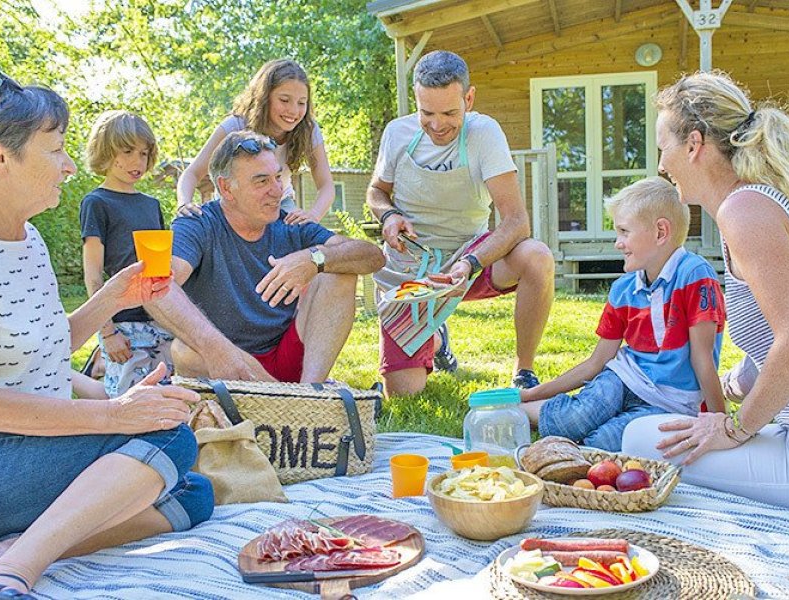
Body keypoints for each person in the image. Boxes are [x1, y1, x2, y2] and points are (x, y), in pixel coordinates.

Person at [0, 72, 213, 598]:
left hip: (35, 442)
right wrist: (113, 413)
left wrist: (111, 298)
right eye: (55, 150)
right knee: (170, 441)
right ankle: (14, 569)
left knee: (194, 493)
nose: (67, 165)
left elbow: (41, 345)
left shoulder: (29, 238)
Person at [621, 71, 789, 516]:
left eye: (663, 148)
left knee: (640, 440)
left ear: (694, 144)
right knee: (676, 428)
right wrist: (721, 389)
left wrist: (735, 429)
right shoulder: (760, 202)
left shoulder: (745, 212)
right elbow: (775, 346)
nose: (661, 165)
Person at [367, 50, 555, 397]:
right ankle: (436, 337)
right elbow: (377, 191)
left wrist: (469, 264)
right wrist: (389, 215)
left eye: (450, 112)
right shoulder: (397, 133)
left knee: (537, 257)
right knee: (404, 393)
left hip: (470, 257)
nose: (437, 125)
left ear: (469, 98)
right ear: (416, 100)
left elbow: (516, 222)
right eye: (427, 113)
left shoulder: (484, 134)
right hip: (411, 269)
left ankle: (524, 371)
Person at [145, 130, 385, 383]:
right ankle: (291, 402)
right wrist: (215, 348)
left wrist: (313, 258)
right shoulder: (199, 223)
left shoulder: (291, 223)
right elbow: (156, 287)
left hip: (288, 358)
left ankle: (310, 394)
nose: (277, 191)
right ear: (226, 188)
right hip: (224, 366)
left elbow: (372, 256)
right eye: (262, 182)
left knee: (339, 271)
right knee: (182, 351)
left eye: (277, 177)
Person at [520, 177, 726, 451]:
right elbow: (596, 363)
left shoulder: (695, 275)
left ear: (660, 232)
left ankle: (567, 422)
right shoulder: (623, 290)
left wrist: (719, 422)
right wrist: (529, 393)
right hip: (623, 378)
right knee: (577, 418)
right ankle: (521, 411)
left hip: (672, 403)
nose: (618, 243)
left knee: (601, 445)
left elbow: (702, 359)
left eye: (624, 231)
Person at [80, 110, 174, 397]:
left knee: (165, 396)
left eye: (144, 153)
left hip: (162, 317)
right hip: (123, 322)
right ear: (107, 151)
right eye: (128, 151)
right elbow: (93, 276)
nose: (138, 161)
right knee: (125, 400)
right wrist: (107, 333)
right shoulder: (96, 203)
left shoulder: (151, 204)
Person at [176, 59, 334, 225]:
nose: (294, 110)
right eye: (284, 100)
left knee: (300, 234)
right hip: (233, 206)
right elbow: (192, 173)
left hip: (278, 203)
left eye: (302, 103)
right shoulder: (235, 125)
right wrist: (184, 203)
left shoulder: (308, 130)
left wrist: (313, 216)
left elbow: (326, 185)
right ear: (265, 98)